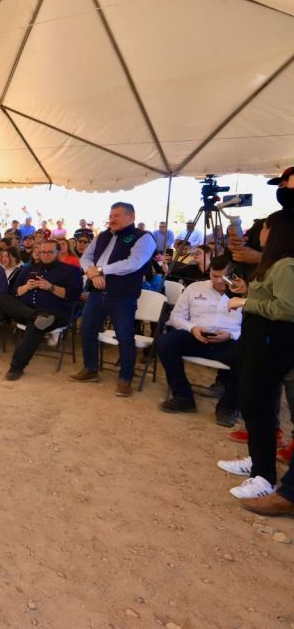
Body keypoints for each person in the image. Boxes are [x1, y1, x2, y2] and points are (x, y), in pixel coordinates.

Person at [213, 210, 294, 509]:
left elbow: (287, 308)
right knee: (252, 401)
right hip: (257, 338)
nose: (259, 233)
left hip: (270, 343)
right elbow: (270, 296)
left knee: (256, 402)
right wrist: (247, 291)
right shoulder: (274, 264)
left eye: (264, 227)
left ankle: (263, 477)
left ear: (275, 232)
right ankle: (258, 459)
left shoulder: (285, 265)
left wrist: (247, 301)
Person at [70, 202, 156, 397]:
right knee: (87, 330)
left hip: (122, 296)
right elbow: (85, 257)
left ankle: (125, 378)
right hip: (96, 292)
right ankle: (90, 369)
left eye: (117, 215)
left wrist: (100, 270)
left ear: (131, 217)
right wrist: (92, 273)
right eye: (111, 215)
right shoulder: (102, 235)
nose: (112, 219)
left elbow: (133, 263)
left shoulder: (143, 237)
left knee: (124, 337)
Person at [156, 255, 242, 415]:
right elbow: (176, 317)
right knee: (166, 342)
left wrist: (231, 334)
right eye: (214, 276)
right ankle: (183, 397)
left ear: (232, 275)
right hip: (196, 337)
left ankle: (227, 407)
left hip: (229, 342)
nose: (218, 281)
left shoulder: (244, 294)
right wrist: (193, 328)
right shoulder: (195, 288)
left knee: (249, 355)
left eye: (223, 277)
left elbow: (250, 327)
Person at [0, 240, 83, 380]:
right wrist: (27, 287)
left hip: (55, 313)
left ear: (58, 253)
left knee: (37, 324)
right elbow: (15, 292)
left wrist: (51, 287)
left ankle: (16, 366)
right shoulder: (29, 269)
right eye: (43, 252)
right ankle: (35, 315)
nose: (45, 255)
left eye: (49, 252)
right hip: (27, 311)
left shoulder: (71, 271)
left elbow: (73, 296)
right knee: (2, 299)